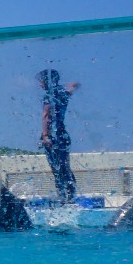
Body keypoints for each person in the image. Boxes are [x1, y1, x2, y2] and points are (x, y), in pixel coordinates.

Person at [38, 68, 81, 204]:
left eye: (42, 81)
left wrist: (45, 135)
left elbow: (47, 115)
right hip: (63, 135)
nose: (40, 84)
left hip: (53, 137)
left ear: (47, 81)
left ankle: (62, 196)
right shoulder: (62, 92)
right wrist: (73, 86)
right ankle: (71, 195)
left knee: (56, 168)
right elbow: (72, 90)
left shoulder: (49, 94)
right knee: (65, 167)